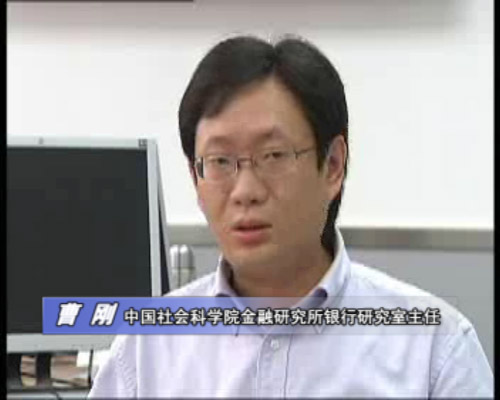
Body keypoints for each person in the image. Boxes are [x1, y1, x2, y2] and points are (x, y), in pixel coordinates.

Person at [88, 34, 493, 398]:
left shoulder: (433, 349)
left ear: (332, 165)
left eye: (273, 156)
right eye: (220, 161)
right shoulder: (147, 350)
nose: (245, 191)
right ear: (196, 178)